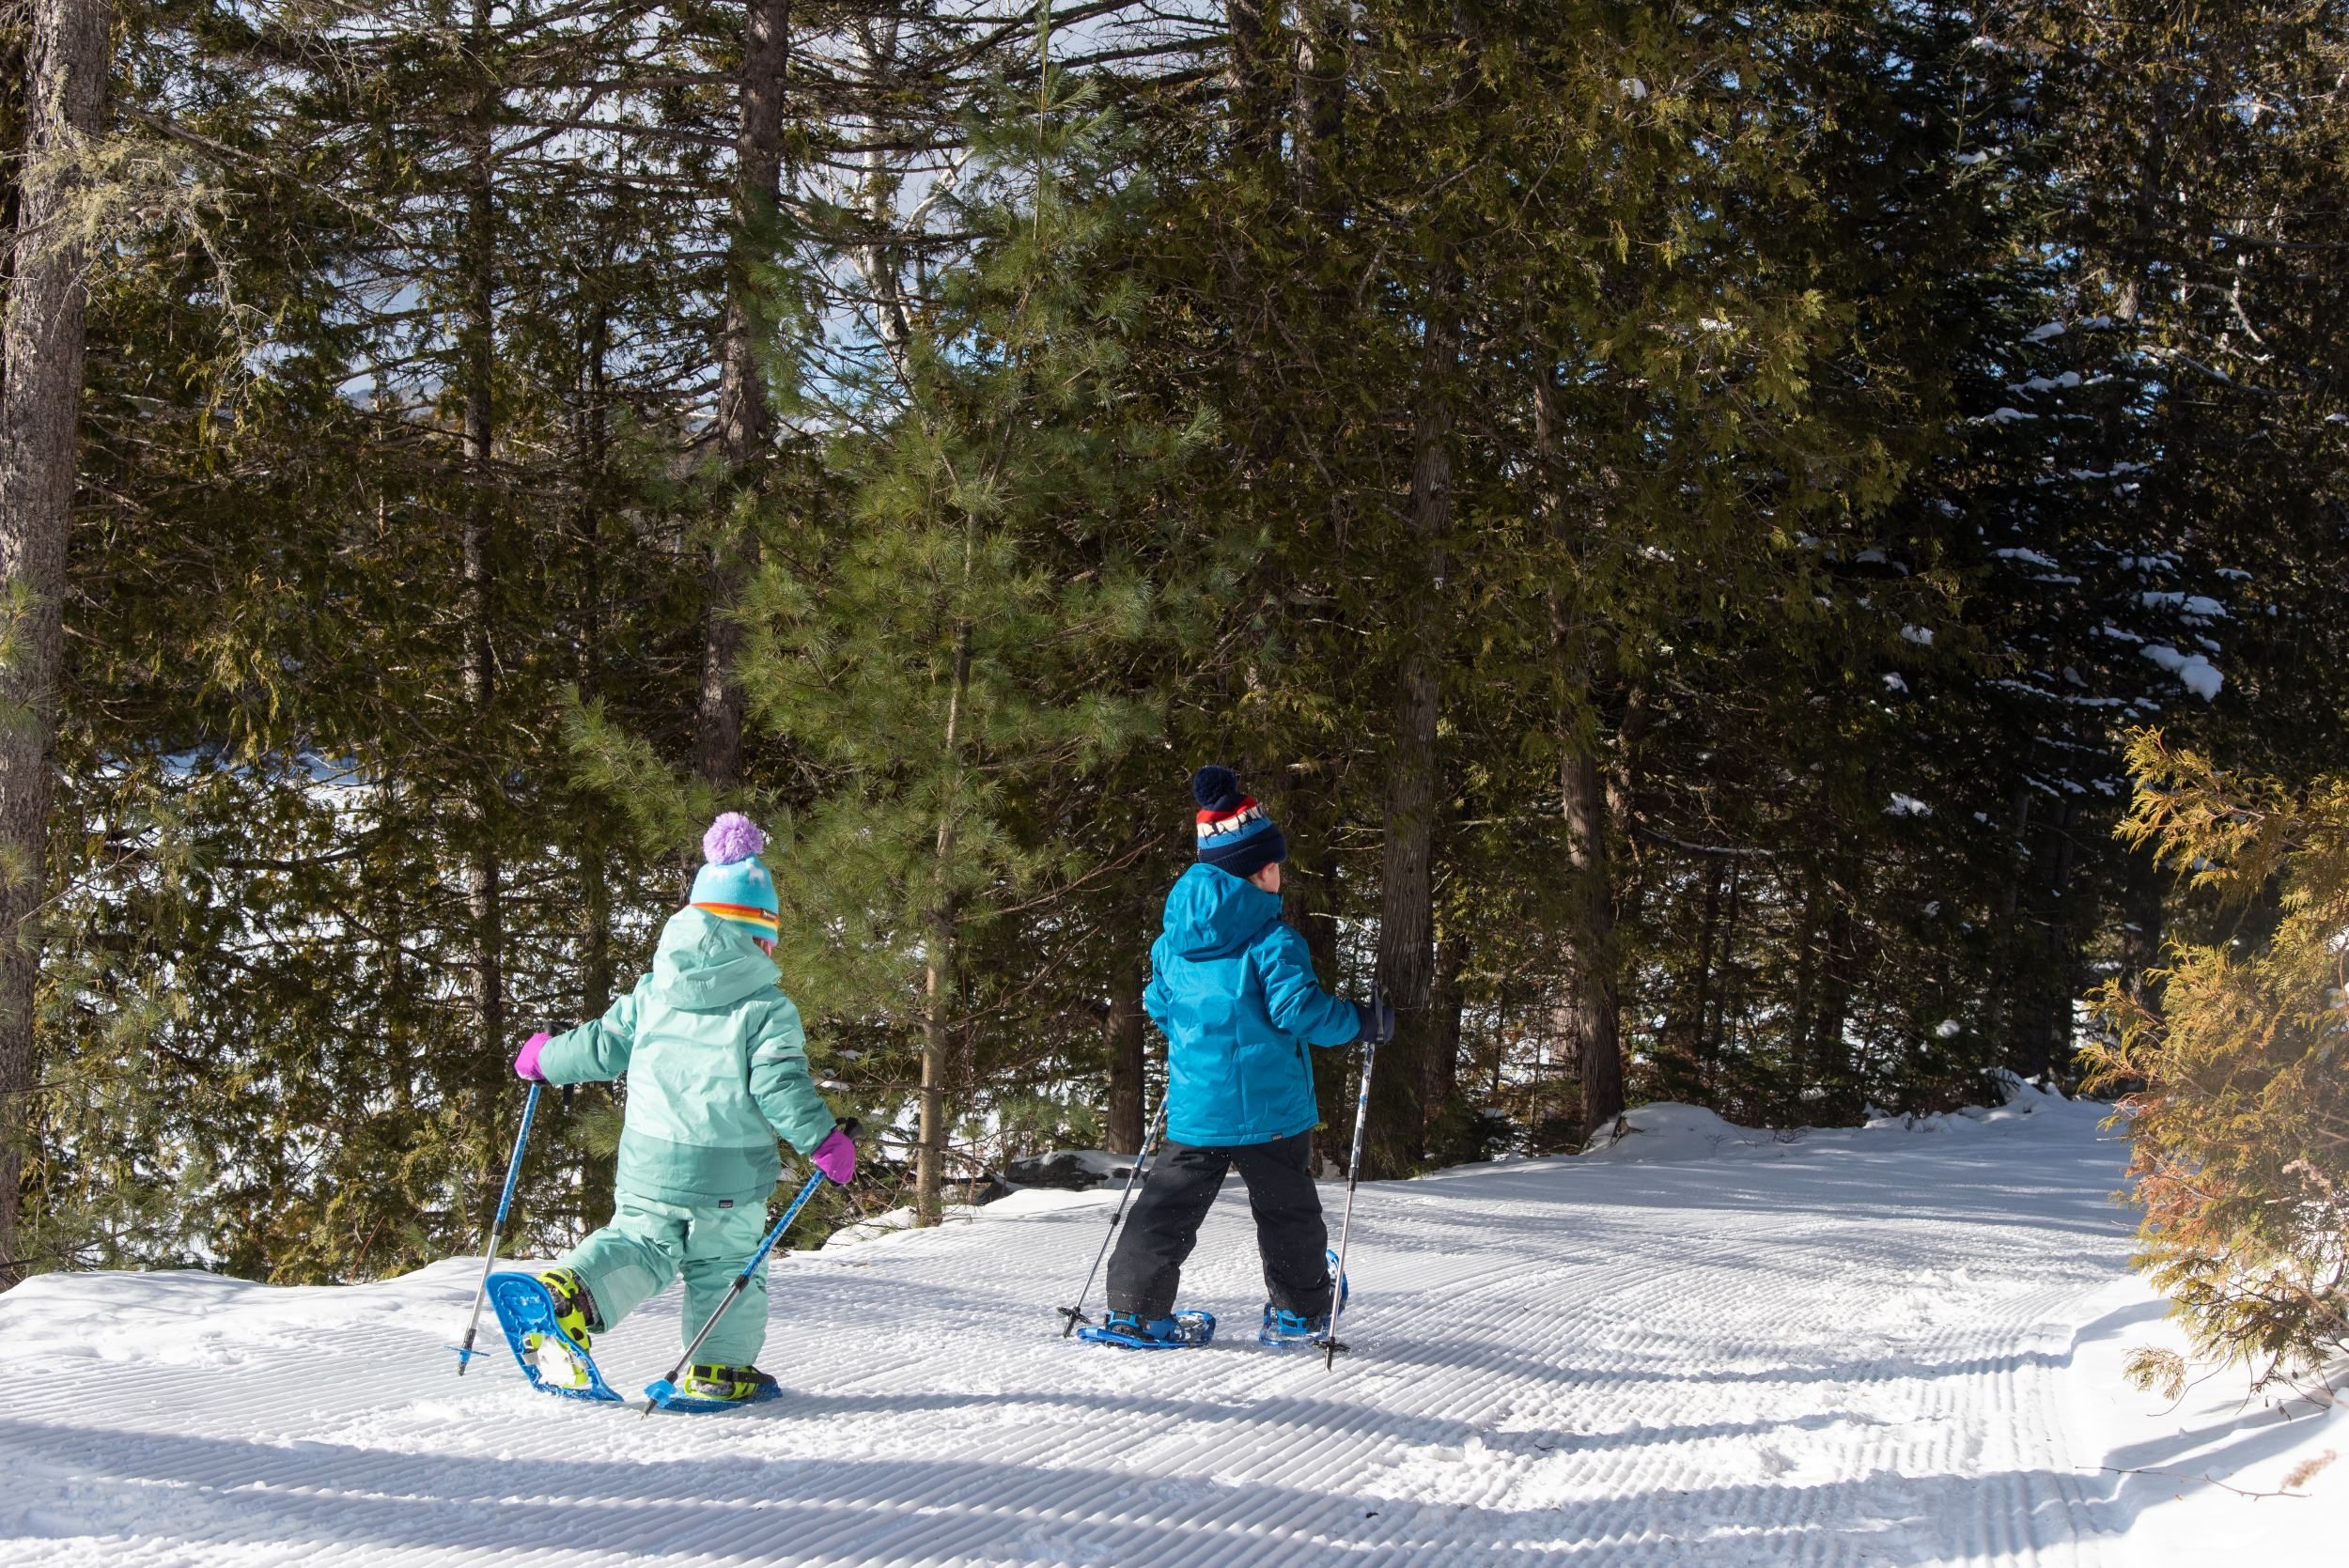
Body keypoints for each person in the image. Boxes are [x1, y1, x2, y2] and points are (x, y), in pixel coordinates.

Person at [510, 812, 854, 1403]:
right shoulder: (766, 1009)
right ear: (757, 936)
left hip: (648, 1163)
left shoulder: (653, 990)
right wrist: (823, 1141)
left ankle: (572, 1293)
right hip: (728, 1173)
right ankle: (718, 1370)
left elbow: (600, 1046)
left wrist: (546, 1059)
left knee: (641, 1245)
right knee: (727, 1266)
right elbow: (780, 1086)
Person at [1099, 766, 1395, 1347]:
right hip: (1271, 1111)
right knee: (1287, 1211)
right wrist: (1363, 1022)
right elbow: (1300, 1011)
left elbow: (1159, 1005)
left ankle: (1135, 1311)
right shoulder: (1273, 939)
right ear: (1261, 869)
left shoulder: (1171, 943)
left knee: (1165, 1209)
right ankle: (1299, 1312)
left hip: (1197, 1108)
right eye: (1276, 865)